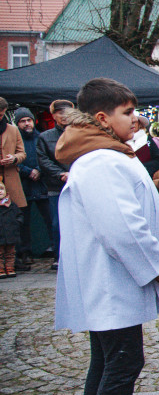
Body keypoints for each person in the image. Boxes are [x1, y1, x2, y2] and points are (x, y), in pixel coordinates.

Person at [53, 78, 159, 395]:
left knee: (107, 365)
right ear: (102, 118)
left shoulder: (103, 155)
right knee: (119, 365)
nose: (135, 117)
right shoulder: (101, 160)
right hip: (111, 282)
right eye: (126, 111)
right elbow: (121, 228)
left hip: (110, 281)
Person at [36, 100, 73, 271]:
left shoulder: (80, 133)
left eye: (66, 112)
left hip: (78, 184)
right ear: (53, 115)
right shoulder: (45, 137)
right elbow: (43, 160)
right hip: (56, 187)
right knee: (57, 223)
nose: (63, 116)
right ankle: (59, 257)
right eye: (59, 113)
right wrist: (60, 174)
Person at [15, 107, 52, 265]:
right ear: (17, 124)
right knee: (23, 222)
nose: (26, 124)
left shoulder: (42, 137)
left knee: (50, 219)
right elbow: (14, 159)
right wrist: (27, 171)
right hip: (23, 185)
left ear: (34, 121)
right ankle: (25, 252)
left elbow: (48, 156)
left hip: (43, 185)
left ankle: (56, 250)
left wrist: (39, 170)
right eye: (22, 121)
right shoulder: (16, 139)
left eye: (28, 120)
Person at [0, 97, 27, 270]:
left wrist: (14, 158)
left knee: (12, 220)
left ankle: (12, 261)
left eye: (1, 113)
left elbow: (22, 153)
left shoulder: (12, 129)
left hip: (10, 178)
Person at [0, 180, 20, 278]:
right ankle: (1, 269)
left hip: (10, 234)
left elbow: (19, 215)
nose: (0, 191)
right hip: (1, 235)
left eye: (1, 189)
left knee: (10, 253)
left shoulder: (12, 205)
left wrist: (16, 223)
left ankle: (10, 268)